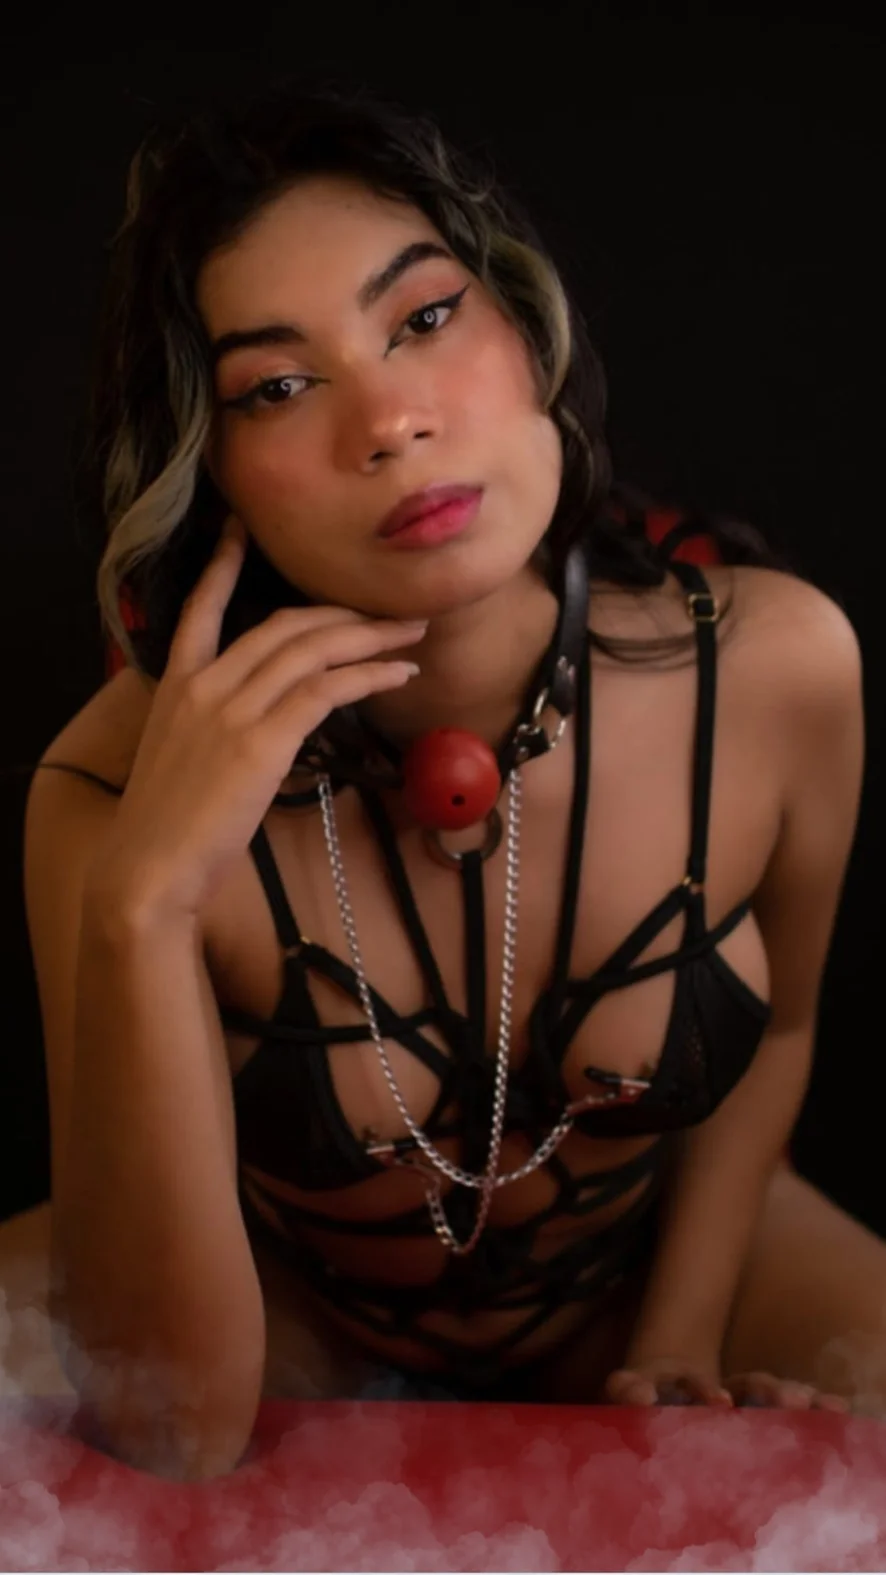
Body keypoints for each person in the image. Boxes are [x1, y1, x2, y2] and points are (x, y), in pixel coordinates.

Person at [14, 80, 880, 1482]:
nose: (389, 422)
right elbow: (171, 1429)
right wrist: (144, 901)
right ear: (209, 469)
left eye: (422, 318)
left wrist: (677, 1342)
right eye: (278, 386)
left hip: (657, 1274)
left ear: (527, 331)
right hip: (280, 1311)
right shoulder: (107, 792)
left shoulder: (775, 670)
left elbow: (775, 1037)